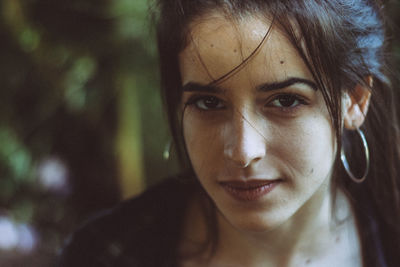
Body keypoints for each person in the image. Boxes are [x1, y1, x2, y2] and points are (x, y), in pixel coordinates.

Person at [57, 0, 400, 266]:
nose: (243, 150)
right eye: (208, 103)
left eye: (285, 100)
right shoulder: (105, 254)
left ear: (355, 101)